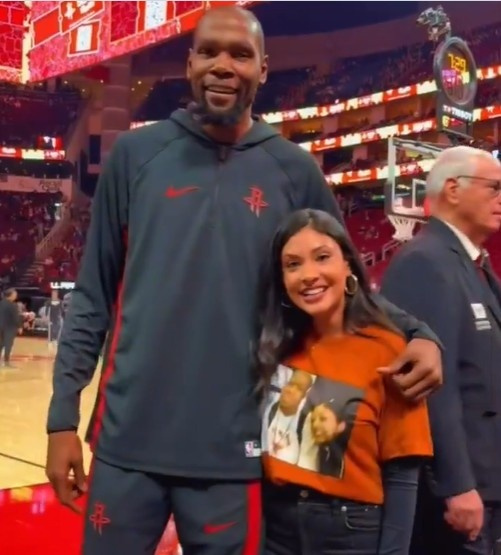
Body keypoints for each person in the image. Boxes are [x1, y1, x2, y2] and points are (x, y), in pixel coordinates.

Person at [46, 7, 442, 555]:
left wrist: (420, 334)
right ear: (190, 64)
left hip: (240, 452)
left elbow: (344, 277)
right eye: (209, 52)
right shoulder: (136, 155)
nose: (223, 66)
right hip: (126, 440)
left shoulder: (295, 169)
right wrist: (61, 419)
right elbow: (91, 295)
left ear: (263, 68)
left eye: (240, 54)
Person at [257, 209, 433, 555]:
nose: (309, 275)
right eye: (293, 265)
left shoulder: (388, 350)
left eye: (322, 257)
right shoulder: (277, 349)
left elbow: (402, 473)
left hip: (350, 532)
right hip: (276, 529)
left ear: (348, 264)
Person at [381, 146, 501, 555]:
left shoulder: (471, 264)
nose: (500, 198)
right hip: (457, 495)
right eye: (494, 188)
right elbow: (431, 386)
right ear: (453, 189)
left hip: (486, 483)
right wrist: (456, 484)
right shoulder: (426, 262)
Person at [0, 288, 22, 368]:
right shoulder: (13, 305)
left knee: (1, 344)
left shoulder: (1, 303)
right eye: (15, 294)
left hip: (1, 326)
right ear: (11, 295)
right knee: (8, 345)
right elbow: (16, 317)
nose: (16, 296)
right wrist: (20, 326)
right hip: (10, 328)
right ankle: (6, 362)